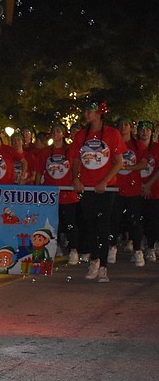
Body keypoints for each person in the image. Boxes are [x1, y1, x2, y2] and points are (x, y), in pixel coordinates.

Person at [70, 101, 125, 283]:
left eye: (90, 111)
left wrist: (105, 180)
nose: (86, 114)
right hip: (87, 187)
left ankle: (103, 267)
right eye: (85, 110)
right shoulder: (80, 135)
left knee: (103, 224)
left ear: (99, 113)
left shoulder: (112, 133)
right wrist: (76, 178)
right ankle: (94, 260)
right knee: (89, 224)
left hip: (106, 188)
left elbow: (118, 162)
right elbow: (76, 159)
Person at [36, 123, 81, 265]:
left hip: (68, 193)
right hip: (50, 195)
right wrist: (37, 189)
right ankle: (53, 248)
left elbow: (76, 166)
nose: (55, 133)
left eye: (58, 131)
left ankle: (74, 249)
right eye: (53, 131)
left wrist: (75, 181)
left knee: (70, 224)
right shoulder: (45, 152)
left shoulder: (70, 150)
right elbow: (39, 172)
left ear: (63, 134)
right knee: (52, 224)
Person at [108, 117, 147, 266]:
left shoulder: (138, 145)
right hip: (116, 188)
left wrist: (126, 168)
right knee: (113, 220)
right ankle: (112, 247)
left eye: (126, 125)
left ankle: (137, 250)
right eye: (120, 125)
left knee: (135, 221)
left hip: (133, 189)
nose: (123, 128)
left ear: (131, 128)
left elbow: (143, 164)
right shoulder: (113, 144)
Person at [138, 120, 159, 262]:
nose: (144, 132)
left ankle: (151, 247)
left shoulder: (157, 148)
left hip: (154, 189)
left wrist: (148, 185)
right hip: (136, 189)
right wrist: (140, 185)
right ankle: (138, 246)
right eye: (142, 129)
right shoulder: (134, 148)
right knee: (138, 219)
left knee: (153, 219)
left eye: (147, 129)